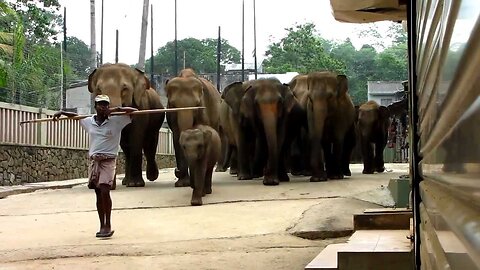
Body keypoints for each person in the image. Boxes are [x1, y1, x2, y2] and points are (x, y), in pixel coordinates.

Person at [53, 95, 137, 238]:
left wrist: (117, 109)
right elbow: (76, 116)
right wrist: (61, 112)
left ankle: (108, 224)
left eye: (105, 105)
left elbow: (134, 112)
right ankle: (101, 224)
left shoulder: (117, 121)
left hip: (108, 160)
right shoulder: (89, 121)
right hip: (94, 161)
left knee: (105, 190)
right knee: (98, 193)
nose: (103, 107)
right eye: (100, 105)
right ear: (95, 107)